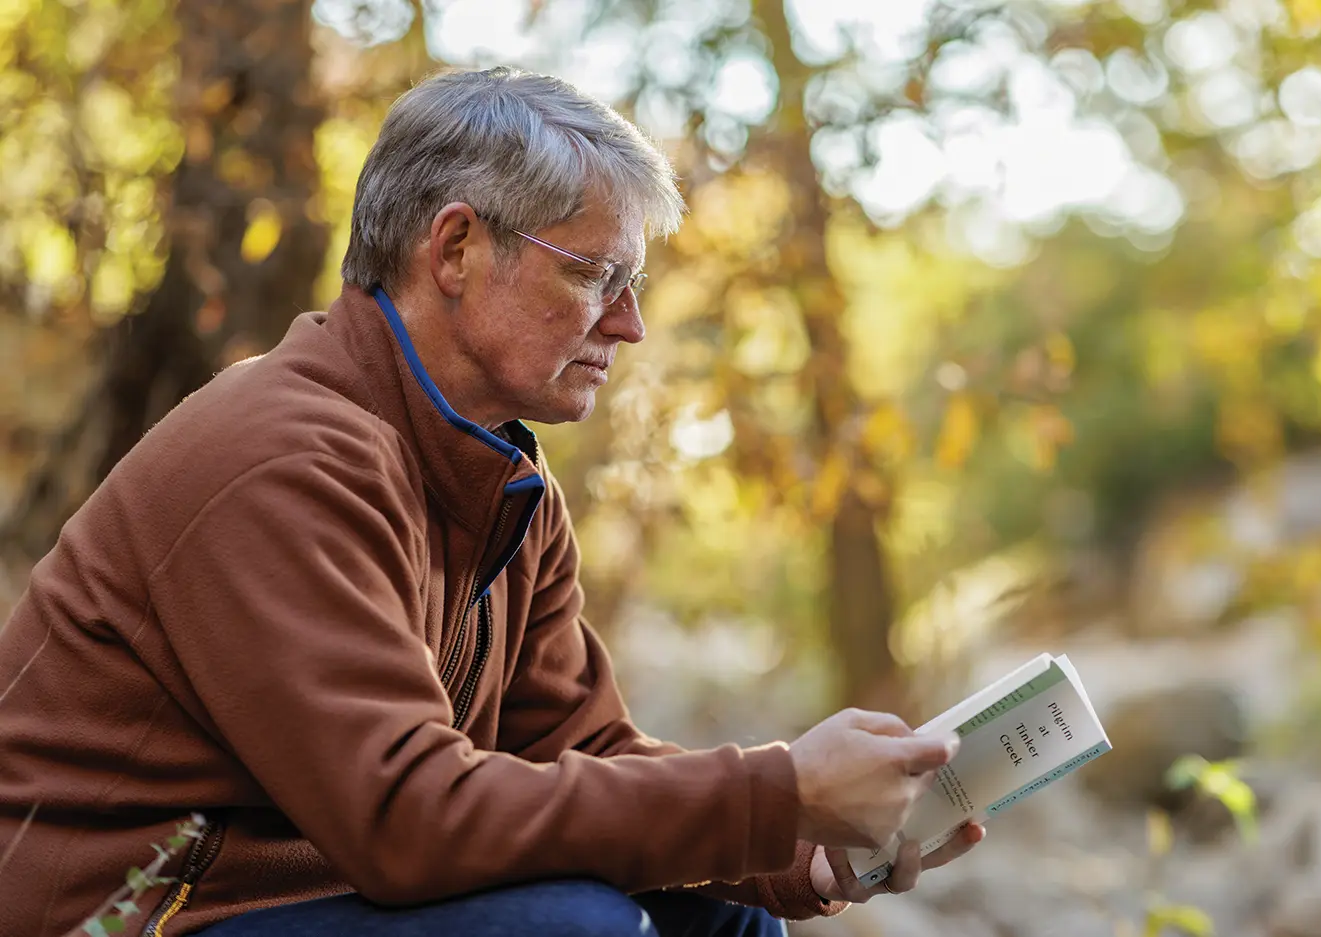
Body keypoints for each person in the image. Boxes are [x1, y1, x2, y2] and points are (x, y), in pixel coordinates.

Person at [0, 67, 983, 937]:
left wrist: (797, 850)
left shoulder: (505, 482)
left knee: (718, 916)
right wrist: (775, 791)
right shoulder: (281, 458)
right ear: (458, 248)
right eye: (596, 275)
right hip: (131, 907)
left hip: (302, 892)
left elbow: (580, 749)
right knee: (574, 927)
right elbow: (406, 818)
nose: (630, 325)